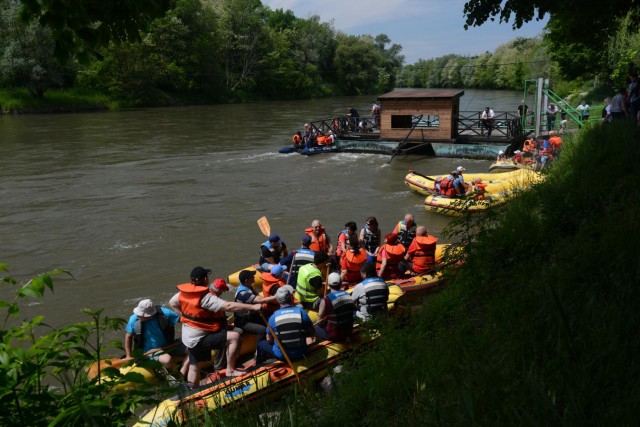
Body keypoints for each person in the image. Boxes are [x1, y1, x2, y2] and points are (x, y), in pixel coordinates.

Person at [169, 267, 261, 385]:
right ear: (206, 279)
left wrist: (185, 317)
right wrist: (254, 307)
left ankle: (193, 390)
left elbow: (172, 303)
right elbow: (229, 306)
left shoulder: (182, 293)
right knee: (234, 337)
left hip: (189, 337)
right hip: (200, 338)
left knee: (194, 365)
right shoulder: (205, 298)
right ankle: (230, 370)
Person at [256, 286, 315, 364]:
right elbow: (312, 332)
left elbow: (269, 340)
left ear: (277, 300)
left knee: (261, 344)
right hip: (302, 352)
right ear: (291, 298)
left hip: (283, 355)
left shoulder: (273, 318)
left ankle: (260, 366)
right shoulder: (302, 312)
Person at [124, 299, 182, 371]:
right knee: (167, 360)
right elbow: (128, 337)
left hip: (169, 346)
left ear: (149, 315)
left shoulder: (164, 313)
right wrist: (128, 356)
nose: (138, 316)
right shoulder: (134, 319)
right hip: (150, 351)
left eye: (141, 315)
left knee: (195, 347)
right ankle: (177, 378)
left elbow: (183, 320)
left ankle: (184, 371)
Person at [234, 270, 277, 343]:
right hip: (243, 321)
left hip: (251, 315)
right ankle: (258, 350)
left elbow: (258, 296)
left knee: (270, 316)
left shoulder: (249, 287)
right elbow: (260, 300)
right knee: (262, 329)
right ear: (246, 280)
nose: (254, 277)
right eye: (252, 276)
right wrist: (277, 296)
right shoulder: (243, 293)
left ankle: (271, 339)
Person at [314, 272, 354, 341]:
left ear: (328, 286)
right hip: (348, 331)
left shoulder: (326, 300)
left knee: (313, 328)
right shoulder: (348, 295)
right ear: (341, 283)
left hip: (334, 334)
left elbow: (319, 321)